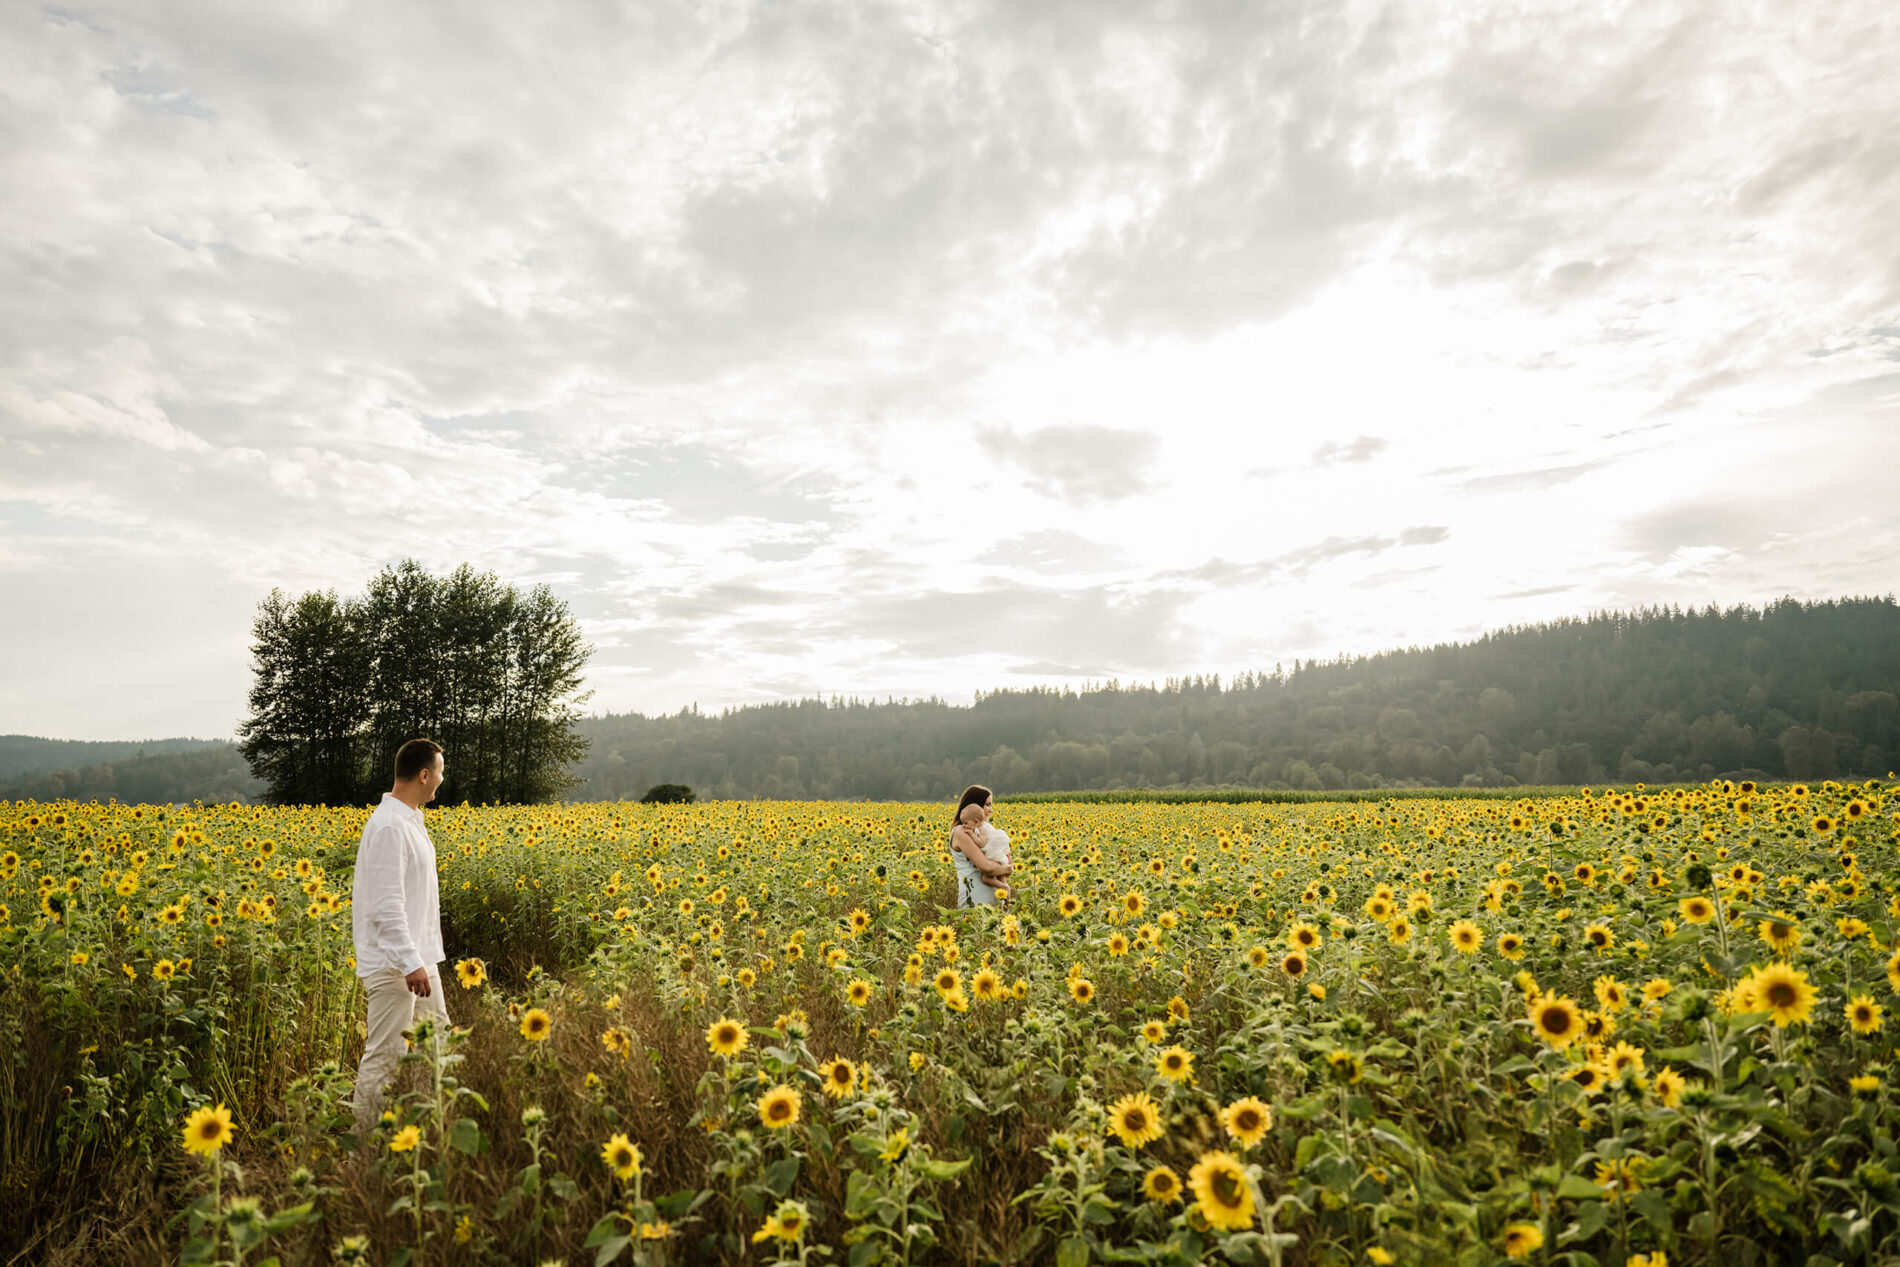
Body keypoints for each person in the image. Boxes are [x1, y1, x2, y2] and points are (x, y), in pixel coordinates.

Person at [350, 738, 450, 1140]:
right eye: (439, 772)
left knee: (436, 1044)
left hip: (420, 959)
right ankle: (363, 1149)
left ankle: (425, 1133)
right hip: (397, 964)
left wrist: (419, 960)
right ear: (424, 775)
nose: (442, 780)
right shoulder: (390, 826)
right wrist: (410, 962)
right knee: (386, 1056)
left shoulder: (408, 821)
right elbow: (386, 905)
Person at [950, 784, 1012, 907]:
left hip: (994, 895)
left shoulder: (982, 830)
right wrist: (1007, 867)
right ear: (975, 806)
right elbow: (987, 867)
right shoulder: (962, 832)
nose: (991, 810)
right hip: (974, 897)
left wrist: (1004, 868)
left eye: (991, 805)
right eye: (987, 805)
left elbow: (1000, 865)